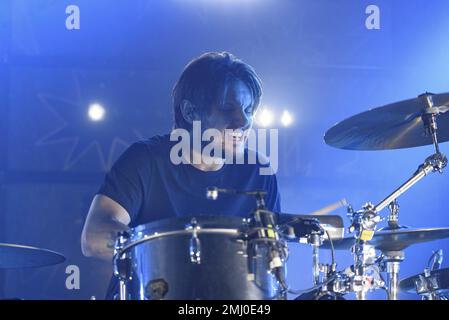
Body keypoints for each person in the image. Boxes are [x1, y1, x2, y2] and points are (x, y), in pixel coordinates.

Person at [81, 51, 281, 299]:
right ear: (190, 112)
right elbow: (94, 237)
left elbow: (272, 259)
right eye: (228, 108)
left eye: (248, 109)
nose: (242, 120)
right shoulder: (145, 159)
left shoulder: (258, 171)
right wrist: (175, 251)